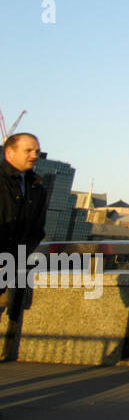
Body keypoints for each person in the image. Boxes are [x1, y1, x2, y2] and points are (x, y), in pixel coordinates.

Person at [1, 133, 49, 338]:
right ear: (9, 152)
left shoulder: (37, 189)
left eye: (36, 151)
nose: (34, 155)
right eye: (28, 150)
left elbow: (37, 229)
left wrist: (18, 256)